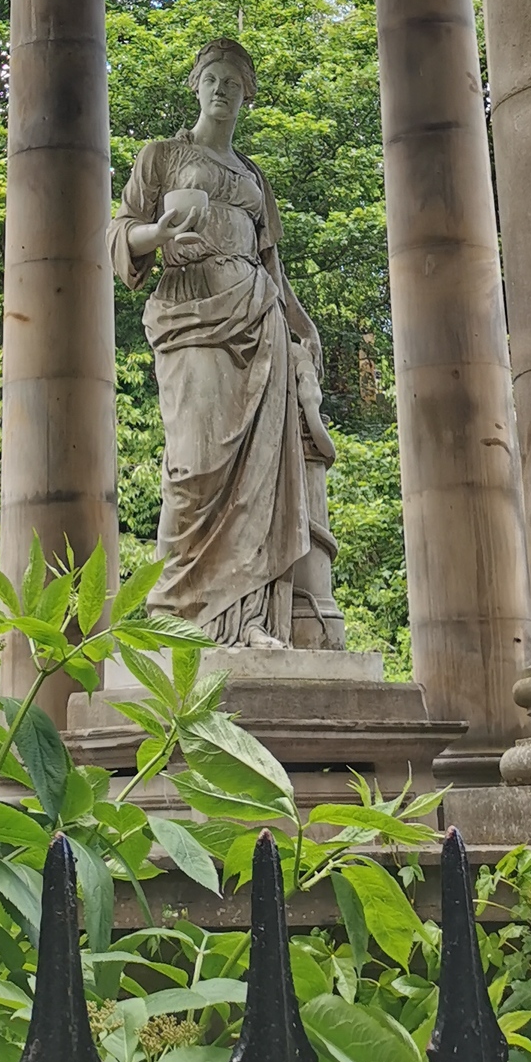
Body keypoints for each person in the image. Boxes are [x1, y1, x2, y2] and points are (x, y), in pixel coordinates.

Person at [110, 37, 344, 649]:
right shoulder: (160, 156)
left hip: (258, 314)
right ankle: (176, 620)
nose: (222, 90)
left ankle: (247, 623)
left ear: (246, 97)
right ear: (196, 86)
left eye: (234, 84)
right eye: (212, 79)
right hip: (191, 312)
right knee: (194, 464)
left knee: (260, 473)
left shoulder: (253, 176)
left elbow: (274, 265)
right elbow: (119, 234)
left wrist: (304, 327)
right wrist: (155, 235)